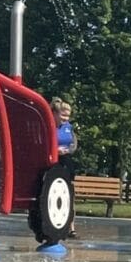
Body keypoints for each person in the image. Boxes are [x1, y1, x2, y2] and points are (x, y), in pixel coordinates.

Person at [52, 97, 78, 237]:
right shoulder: (50, 126)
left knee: (69, 193)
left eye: (68, 116)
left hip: (66, 160)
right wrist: (55, 150)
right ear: (56, 114)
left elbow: (74, 144)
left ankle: (71, 227)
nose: (65, 118)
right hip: (53, 161)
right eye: (63, 115)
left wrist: (69, 150)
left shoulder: (69, 127)